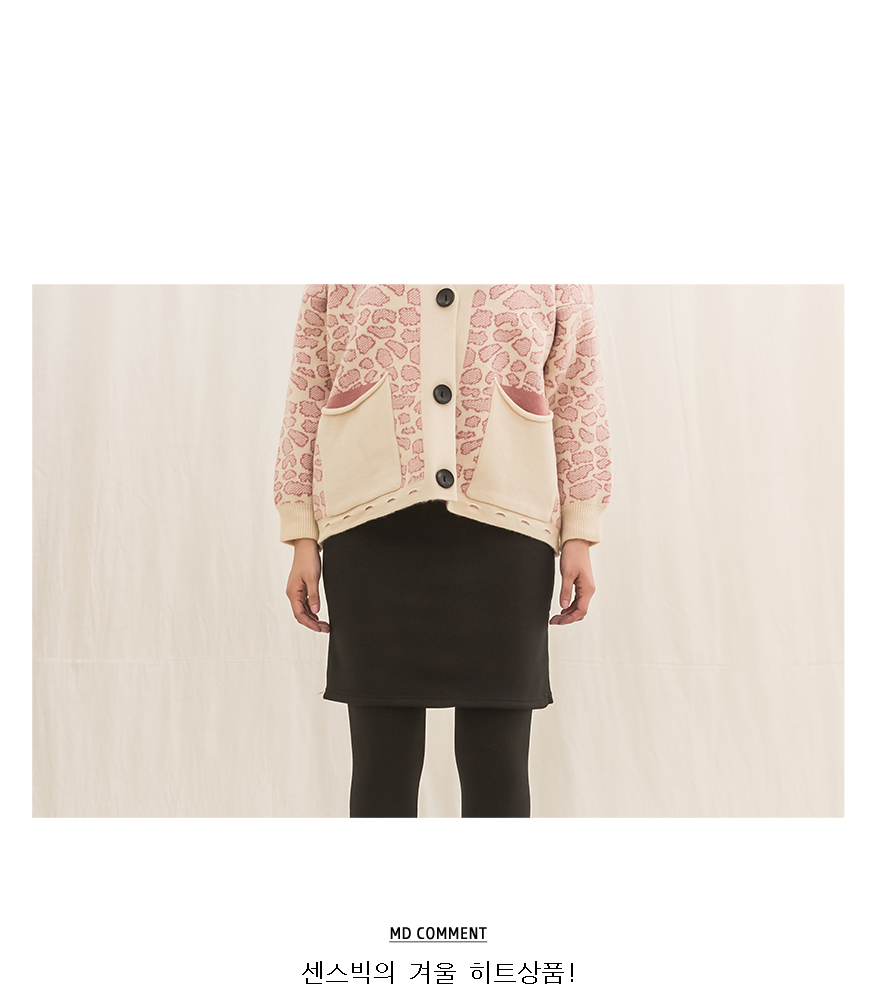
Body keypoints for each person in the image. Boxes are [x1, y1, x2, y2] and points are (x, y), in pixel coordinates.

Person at [274, 284, 611, 818]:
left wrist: (580, 529)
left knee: (498, 767)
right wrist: (301, 533)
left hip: (508, 523)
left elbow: (576, 388)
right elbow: (308, 385)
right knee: (382, 769)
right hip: (369, 522)